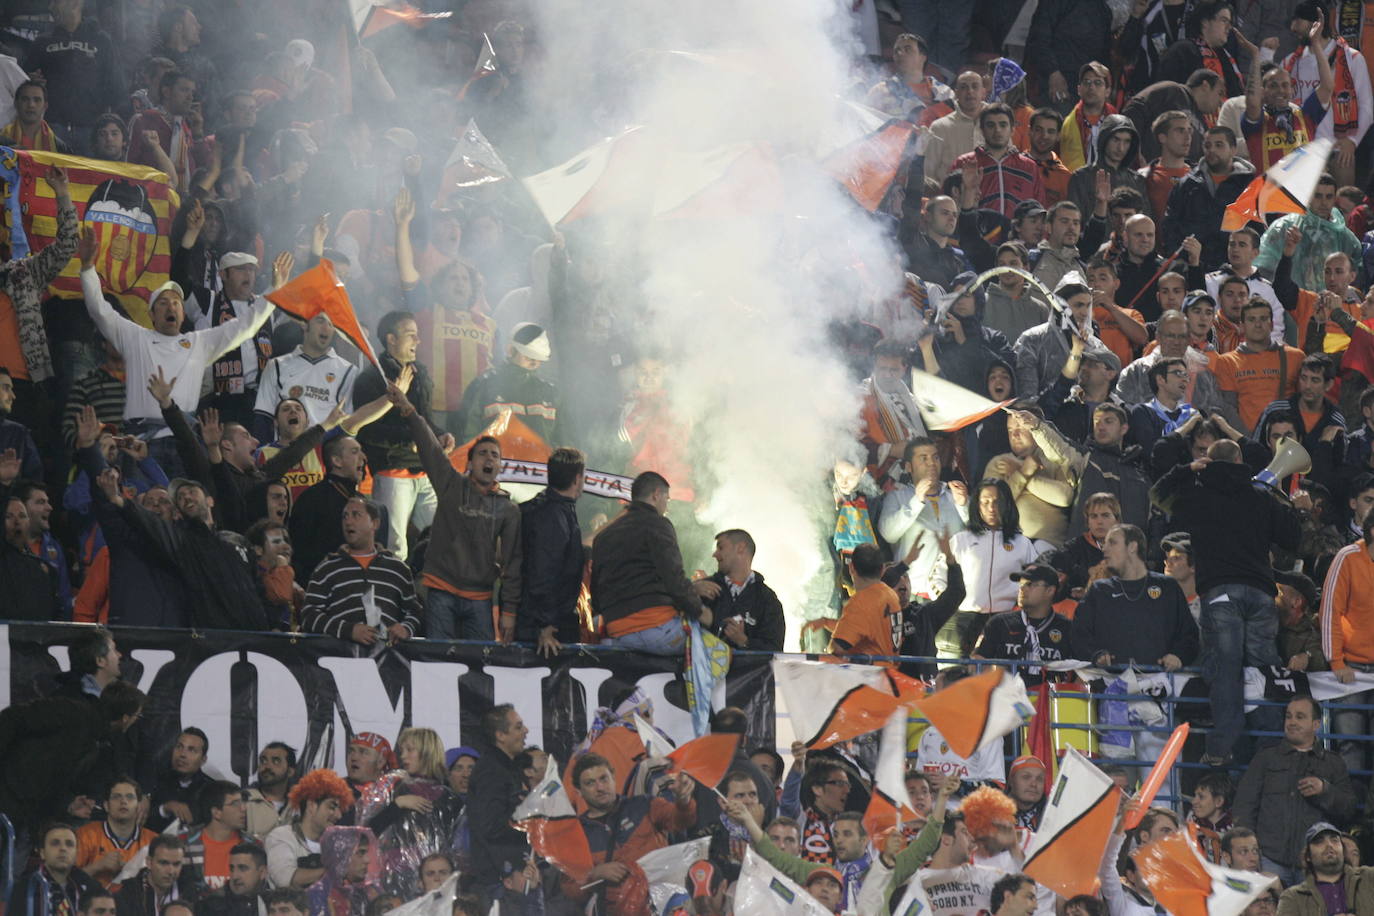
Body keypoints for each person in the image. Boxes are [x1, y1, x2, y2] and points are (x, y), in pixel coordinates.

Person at [1153, 437, 1303, 764]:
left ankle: (1220, 748)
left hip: (1220, 592)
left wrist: (1187, 469)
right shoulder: (1260, 496)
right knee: (1263, 667)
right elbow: (1292, 538)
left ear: (1208, 461)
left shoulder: (1197, 494)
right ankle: (1271, 746)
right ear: (1240, 461)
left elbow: (1158, 495)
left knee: (1226, 667)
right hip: (1262, 593)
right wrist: (1291, 506)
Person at [389, 379, 522, 641]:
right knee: (439, 663)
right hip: (440, 590)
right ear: (470, 462)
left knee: (479, 666)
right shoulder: (450, 484)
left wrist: (510, 611)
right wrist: (409, 410)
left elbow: (513, 563)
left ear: (500, 467)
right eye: (483, 453)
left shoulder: (508, 509)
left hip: (480, 598)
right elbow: (430, 448)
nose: (489, 458)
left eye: (495, 455)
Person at [350, 311, 452, 562]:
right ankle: (392, 598)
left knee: (443, 538)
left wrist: (441, 434)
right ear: (391, 339)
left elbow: (424, 418)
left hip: (425, 471)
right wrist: (412, 440)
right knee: (394, 547)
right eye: (411, 335)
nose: (418, 341)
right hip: (392, 472)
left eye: (418, 335)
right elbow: (367, 431)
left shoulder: (420, 373)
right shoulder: (371, 378)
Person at [1234, 697, 1357, 886]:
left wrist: (1325, 790)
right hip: (1269, 859)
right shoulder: (1265, 758)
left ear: (1316, 724)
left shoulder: (1333, 763)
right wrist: (1251, 852)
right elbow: (1244, 806)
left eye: (1300, 717)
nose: (1292, 722)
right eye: (1289, 716)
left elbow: (1348, 809)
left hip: (1315, 864)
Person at [558, 753, 697, 913]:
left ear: (614, 778)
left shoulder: (644, 804)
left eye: (604, 779)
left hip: (664, 906)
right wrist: (594, 874)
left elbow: (681, 821)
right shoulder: (576, 834)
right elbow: (570, 889)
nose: (600, 787)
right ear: (579, 791)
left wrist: (684, 801)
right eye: (590, 783)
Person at [590, 471, 706, 654]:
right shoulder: (658, 524)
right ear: (656, 495)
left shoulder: (603, 537)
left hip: (617, 634)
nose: (667, 506)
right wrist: (700, 611)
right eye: (667, 499)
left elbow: (595, 594)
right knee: (715, 651)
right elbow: (674, 578)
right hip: (657, 628)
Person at [1072, 523, 1199, 670]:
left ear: (1132, 547)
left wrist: (1178, 656)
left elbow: (1189, 635)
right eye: (1104, 544)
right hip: (1108, 686)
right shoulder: (1099, 590)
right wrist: (1095, 654)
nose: (1104, 549)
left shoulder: (1168, 587)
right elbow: (1079, 635)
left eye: (1112, 543)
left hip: (1159, 685)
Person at [945, 480, 1050, 657]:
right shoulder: (961, 540)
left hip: (1007, 620)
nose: (991, 508)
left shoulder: (1022, 543)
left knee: (1002, 678)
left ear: (1007, 504)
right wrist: (947, 606)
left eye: (997, 502)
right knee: (960, 679)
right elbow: (938, 577)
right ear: (976, 505)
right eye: (985, 502)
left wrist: (1022, 610)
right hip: (964, 619)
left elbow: (1038, 580)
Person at [354, 727, 462, 899]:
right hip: (395, 878)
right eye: (402, 750)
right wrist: (398, 804)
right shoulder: (391, 789)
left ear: (427, 752)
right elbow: (366, 834)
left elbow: (457, 846)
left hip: (438, 879)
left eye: (410, 750)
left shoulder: (450, 799)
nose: (402, 756)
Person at [300, 496, 421, 644]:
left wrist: (406, 628)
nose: (348, 521)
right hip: (341, 661)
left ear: (375, 523)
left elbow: (415, 611)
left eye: (356, 515)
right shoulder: (326, 569)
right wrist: (348, 630)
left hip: (389, 663)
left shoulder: (398, 569)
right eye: (345, 516)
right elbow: (308, 615)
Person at [515, 447, 586, 654]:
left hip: (542, 620)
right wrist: (545, 626)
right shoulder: (553, 516)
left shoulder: (548, 509)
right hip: (547, 630)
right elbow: (543, 572)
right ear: (577, 479)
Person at [879, 438, 969, 597]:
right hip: (913, 595)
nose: (931, 463)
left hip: (955, 595)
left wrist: (964, 506)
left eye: (935, 457)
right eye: (923, 458)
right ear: (908, 467)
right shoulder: (897, 498)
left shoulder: (955, 496)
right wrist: (917, 501)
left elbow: (975, 538)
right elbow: (888, 534)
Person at [1319, 512, 1374, 772]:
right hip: (1351, 670)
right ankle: (1350, 809)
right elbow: (1330, 610)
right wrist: (1337, 661)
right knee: (1350, 745)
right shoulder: (1347, 557)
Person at [1162, 127, 1256, 270]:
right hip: (1192, 267)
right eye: (1207, 145)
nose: (1211, 150)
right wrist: (1180, 261)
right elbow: (1170, 225)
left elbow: (1260, 229)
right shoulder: (1186, 184)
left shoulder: (1250, 187)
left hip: (1236, 272)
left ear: (1233, 149)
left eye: (1219, 145)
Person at [253, 313, 358, 439]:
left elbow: (348, 423)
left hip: (324, 454)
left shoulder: (349, 371)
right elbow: (263, 418)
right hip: (285, 453)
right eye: (320, 321)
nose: (326, 328)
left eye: (331, 324)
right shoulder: (276, 365)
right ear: (304, 324)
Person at [457, 322, 561, 445]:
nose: (534, 363)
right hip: (495, 463)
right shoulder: (484, 386)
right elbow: (467, 435)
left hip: (541, 464)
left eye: (539, 359)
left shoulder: (549, 391)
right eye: (529, 357)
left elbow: (562, 438)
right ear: (511, 350)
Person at [1257, 176, 1361, 297]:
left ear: (1334, 199)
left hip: (1330, 309)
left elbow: (1355, 276)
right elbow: (1263, 269)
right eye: (1318, 196)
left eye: (1329, 196)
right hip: (1289, 307)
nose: (1323, 202)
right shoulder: (1284, 227)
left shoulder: (1345, 237)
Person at [1214, 299, 1307, 434]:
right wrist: (1247, 442)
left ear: (1272, 324)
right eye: (1251, 319)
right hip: (1247, 442)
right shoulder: (1227, 362)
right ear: (1242, 326)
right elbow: (1229, 410)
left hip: (1287, 439)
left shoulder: (1296, 357)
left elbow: (1306, 403)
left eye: (1263, 319)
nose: (1258, 324)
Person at [973, 563, 1072, 687]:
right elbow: (977, 661)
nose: (1022, 589)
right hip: (1006, 698)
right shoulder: (999, 623)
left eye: (1030, 584)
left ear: (1050, 590)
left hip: (1050, 701)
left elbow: (1084, 670)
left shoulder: (1067, 628)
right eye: (1021, 584)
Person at [467, 705, 530, 886]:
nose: (526, 731)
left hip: (508, 873)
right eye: (518, 727)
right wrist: (531, 823)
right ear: (500, 735)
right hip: (499, 878)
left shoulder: (507, 768)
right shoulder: (491, 772)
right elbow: (492, 826)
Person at [695, 528, 786, 651]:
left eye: (720, 548)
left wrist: (744, 641)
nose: (715, 554)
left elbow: (775, 649)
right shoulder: (701, 588)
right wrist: (689, 591)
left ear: (740, 548)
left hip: (750, 670)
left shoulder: (767, 599)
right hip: (702, 669)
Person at [951, 103, 1045, 219]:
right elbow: (949, 205)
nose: (997, 130)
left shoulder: (1029, 167)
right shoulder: (965, 163)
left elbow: (1040, 210)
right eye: (990, 125)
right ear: (982, 130)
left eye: (1003, 125)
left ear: (1012, 130)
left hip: (1017, 235)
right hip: (975, 234)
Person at [265, 769, 352, 889]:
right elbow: (285, 879)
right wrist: (338, 871)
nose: (338, 815)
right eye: (332, 807)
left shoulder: (336, 844)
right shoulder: (282, 836)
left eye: (340, 809)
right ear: (311, 805)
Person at [860, 339, 929, 486]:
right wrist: (889, 450)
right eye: (882, 369)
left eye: (894, 370)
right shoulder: (860, 398)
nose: (887, 375)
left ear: (905, 368)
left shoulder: (913, 398)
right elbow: (852, 446)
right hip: (879, 482)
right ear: (874, 367)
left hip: (914, 478)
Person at [1276, 822, 1374, 916]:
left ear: (1343, 851)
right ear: (1308, 856)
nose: (1329, 845)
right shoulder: (1292, 898)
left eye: (1334, 840)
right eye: (1319, 841)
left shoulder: (1369, 877)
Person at [827, 543, 903, 664]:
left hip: (868, 677)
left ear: (851, 567)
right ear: (882, 569)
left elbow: (837, 648)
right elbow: (868, 630)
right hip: (889, 675)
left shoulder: (861, 603)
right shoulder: (891, 594)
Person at [7, 822, 100, 916]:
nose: (63, 848)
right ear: (42, 852)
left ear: (76, 854)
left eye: (69, 844)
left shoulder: (91, 888)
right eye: (55, 843)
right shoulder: (23, 889)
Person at [1067, 116, 1148, 222]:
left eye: (1127, 141)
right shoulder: (1081, 177)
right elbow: (1074, 220)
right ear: (1104, 139)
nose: (1121, 148)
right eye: (1116, 139)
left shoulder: (1137, 180)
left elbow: (1145, 221)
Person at [75, 779, 155, 887]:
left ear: (139, 806)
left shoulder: (153, 841)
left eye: (130, 797)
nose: (123, 801)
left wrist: (133, 871)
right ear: (106, 805)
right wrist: (97, 866)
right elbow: (68, 880)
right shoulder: (85, 834)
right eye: (116, 797)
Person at [1157, 2, 1244, 96]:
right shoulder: (1182, 51)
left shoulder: (1226, 58)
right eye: (1224, 21)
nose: (1229, 28)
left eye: (1230, 23)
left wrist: (1255, 56)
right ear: (1205, 22)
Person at [923, 72, 989, 185]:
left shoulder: (997, 124)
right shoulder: (940, 127)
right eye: (964, 87)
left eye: (975, 86)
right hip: (951, 199)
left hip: (991, 198)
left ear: (983, 92)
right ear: (956, 93)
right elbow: (928, 175)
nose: (970, 91)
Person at [1052, 62, 1118, 173]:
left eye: (1097, 83)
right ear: (1079, 89)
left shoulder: (1118, 122)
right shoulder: (1067, 124)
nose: (1091, 87)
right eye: (1086, 82)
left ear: (1107, 91)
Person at [182, 782, 247, 891]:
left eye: (243, 802)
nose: (244, 808)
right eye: (235, 804)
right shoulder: (184, 843)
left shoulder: (252, 845)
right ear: (216, 812)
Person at [148, 729, 213, 832]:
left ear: (203, 759)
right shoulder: (156, 782)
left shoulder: (210, 790)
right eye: (179, 747)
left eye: (191, 750)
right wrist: (165, 809)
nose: (182, 754)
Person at [307, 826, 379, 916]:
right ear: (341, 856)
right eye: (361, 852)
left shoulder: (369, 891)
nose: (367, 860)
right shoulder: (317, 896)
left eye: (367, 853)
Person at [113, 835, 193, 916]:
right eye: (163, 863)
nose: (171, 871)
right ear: (149, 862)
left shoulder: (192, 895)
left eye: (176, 864)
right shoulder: (126, 896)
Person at [197, 844, 268, 916]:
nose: (234, 875)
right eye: (232, 869)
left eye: (242, 868)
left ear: (262, 872)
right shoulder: (212, 906)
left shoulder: (272, 900)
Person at [0, 81, 71, 153]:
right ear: (16, 104)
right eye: (25, 99)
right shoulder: (2, 140)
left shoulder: (60, 148)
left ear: (45, 106)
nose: (31, 105)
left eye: (37, 100)